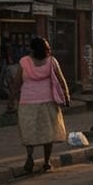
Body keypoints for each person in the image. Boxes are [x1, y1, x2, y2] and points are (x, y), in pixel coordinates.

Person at [11, 37, 69, 174]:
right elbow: (61, 80)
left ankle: (30, 158)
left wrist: (11, 100)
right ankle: (47, 162)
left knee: (29, 131)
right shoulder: (51, 62)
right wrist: (66, 96)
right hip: (48, 102)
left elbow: (17, 83)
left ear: (31, 49)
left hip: (27, 103)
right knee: (47, 133)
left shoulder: (24, 62)